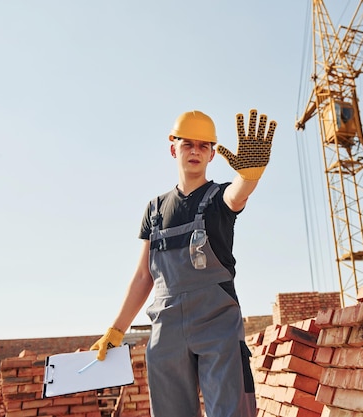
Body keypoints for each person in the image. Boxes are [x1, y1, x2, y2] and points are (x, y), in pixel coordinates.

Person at [90, 108, 277, 417]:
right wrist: (116, 330)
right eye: (188, 143)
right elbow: (142, 277)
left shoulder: (219, 198)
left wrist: (248, 176)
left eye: (204, 145)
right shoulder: (155, 209)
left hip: (217, 324)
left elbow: (237, 195)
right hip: (166, 330)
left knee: (230, 410)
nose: (195, 151)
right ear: (173, 147)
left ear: (213, 154)